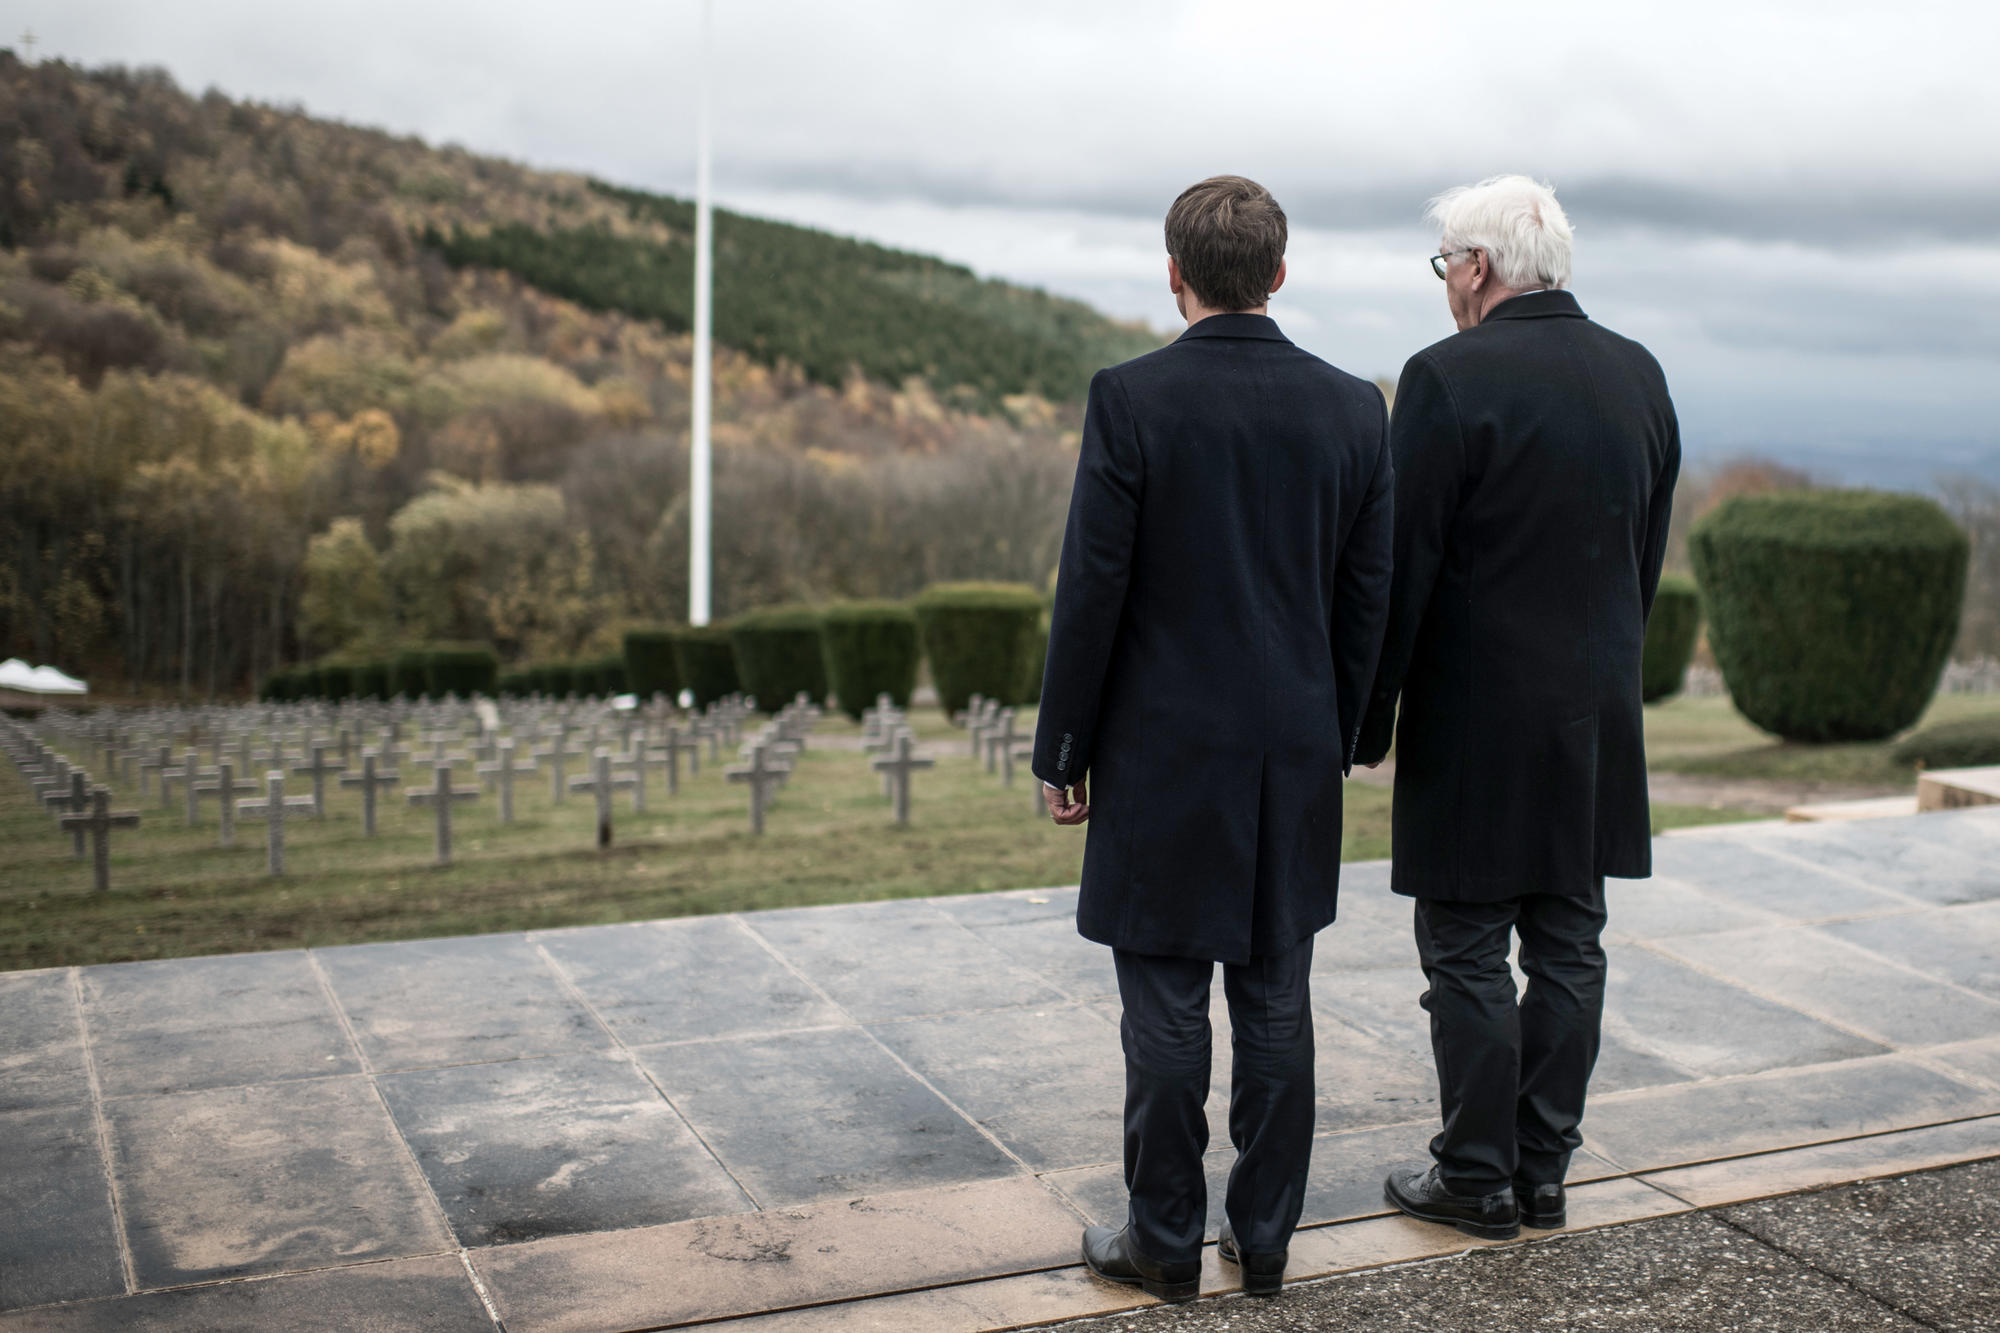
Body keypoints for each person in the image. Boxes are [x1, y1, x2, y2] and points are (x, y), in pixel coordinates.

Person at [1032, 174, 1394, 1301]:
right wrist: (1344, 728)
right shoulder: (1351, 406)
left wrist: (1064, 747)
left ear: (1174, 273)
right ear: (1278, 274)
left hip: (1160, 747)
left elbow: (1093, 584)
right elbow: (1364, 593)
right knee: (1275, 997)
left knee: (1167, 1005)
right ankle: (1267, 1237)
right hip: (1292, 743)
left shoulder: (1131, 397)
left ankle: (1162, 1241)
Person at [1353, 175, 1680, 1240]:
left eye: (1445, 263)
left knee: (1463, 947)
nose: (1445, 283)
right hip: (1593, 711)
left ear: (1478, 267)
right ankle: (1542, 1171)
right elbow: (1642, 554)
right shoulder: (1638, 373)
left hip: (1475, 716)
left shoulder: (1445, 377)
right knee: (1569, 942)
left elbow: (1402, 569)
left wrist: (1365, 723)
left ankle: (1475, 1176)